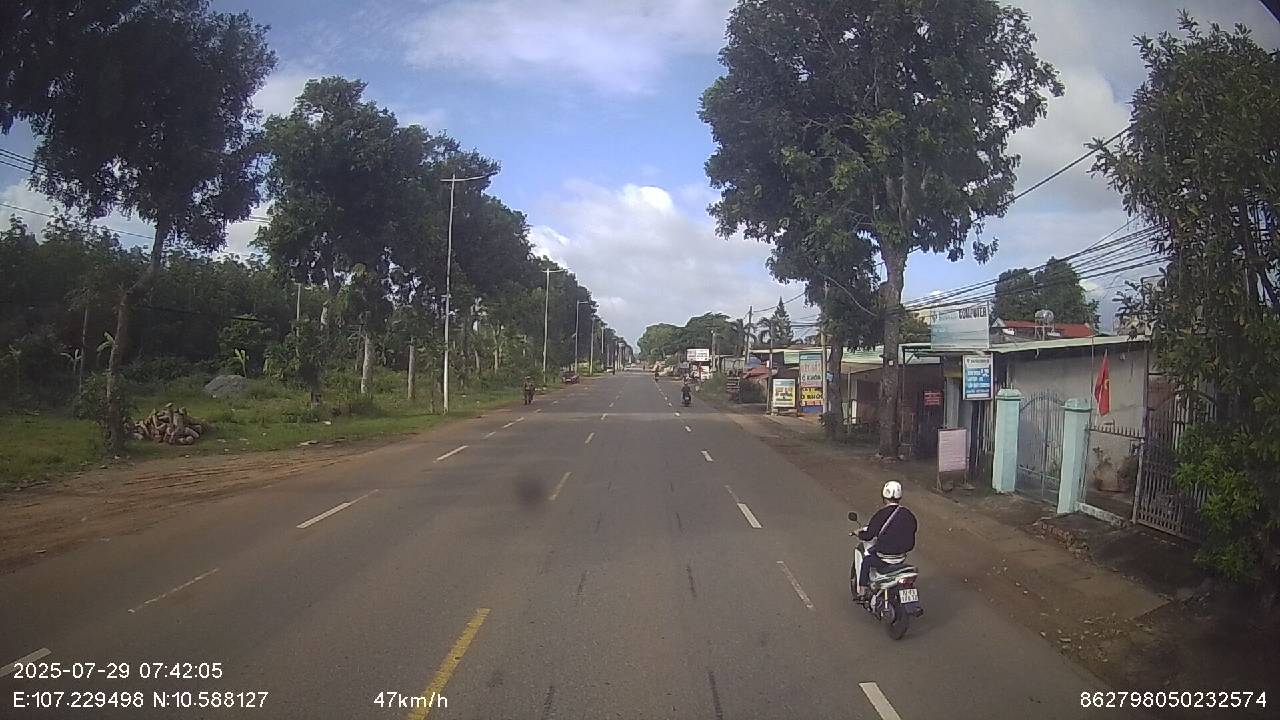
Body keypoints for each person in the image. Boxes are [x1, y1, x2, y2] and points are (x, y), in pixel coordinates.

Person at [854, 480, 918, 600]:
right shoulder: (908, 514)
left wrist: (859, 533)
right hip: (901, 557)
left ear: (884, 496)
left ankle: (862, 591)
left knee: (866, 561)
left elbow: (869, 535)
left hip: (884, 558)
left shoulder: (881, 514)